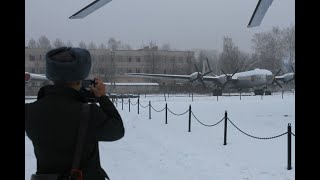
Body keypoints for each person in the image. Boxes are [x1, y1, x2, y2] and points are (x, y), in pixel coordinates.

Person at [25, 47, 125, 180]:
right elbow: (117, 130)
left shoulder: (29, 111)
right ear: (80, 79)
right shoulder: (90, 113)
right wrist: (102, 97)